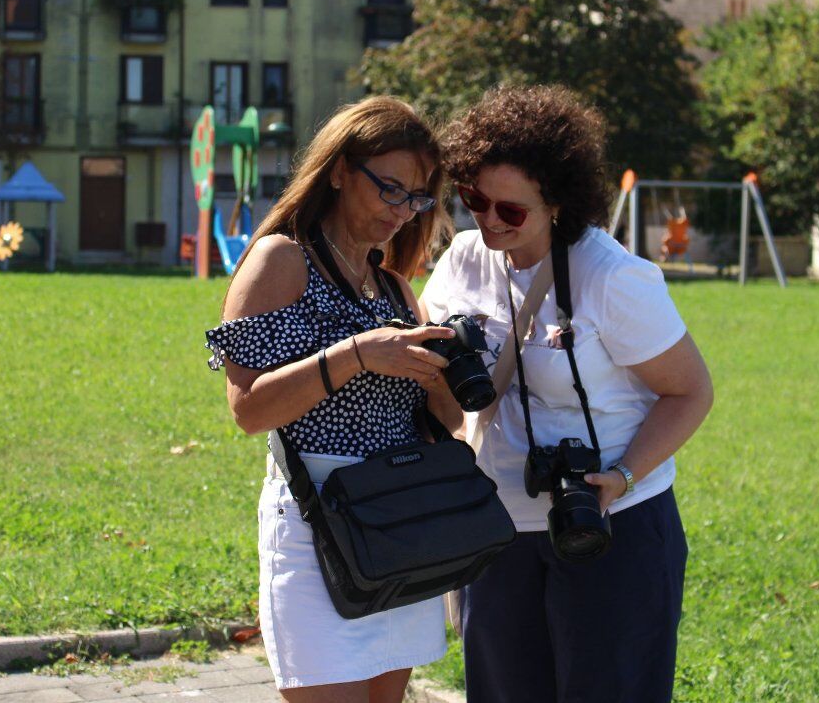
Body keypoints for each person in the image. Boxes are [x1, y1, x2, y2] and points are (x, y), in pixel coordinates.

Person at [420, 86, 714, 703]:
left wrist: (625, 476)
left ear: (558, 203)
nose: (488, 220)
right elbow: (443, 395)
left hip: (610, 524)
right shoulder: (463, 261)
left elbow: (690, 392)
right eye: (474, 200)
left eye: (512, 210)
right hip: (497, 529)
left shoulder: (611, 276)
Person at [205, 96, 460, 703]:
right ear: (341, 170)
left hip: (399, 521)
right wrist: (355, 356)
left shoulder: (394, 285)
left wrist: (438, 372)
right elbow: (249, 410)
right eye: (389, 189)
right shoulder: (284, 261)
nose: (402, 211)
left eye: (417, 197)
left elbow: (448, 420)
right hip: (318, 520)